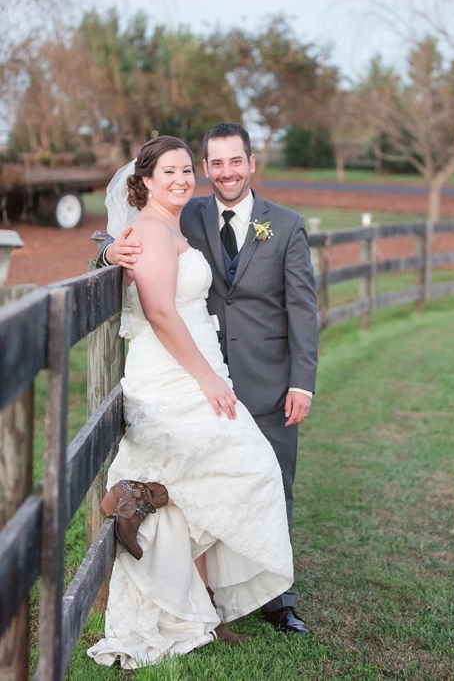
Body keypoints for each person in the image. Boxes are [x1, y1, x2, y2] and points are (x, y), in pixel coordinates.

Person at [101, 123, 319, 634]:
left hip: (265, 379)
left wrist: (302, 381)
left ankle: (277, 603)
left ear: (250, 162)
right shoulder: (185, 213)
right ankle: (201, 594)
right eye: (213, 164)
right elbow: (134, 257)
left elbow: (303, 310)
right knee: (225, 477)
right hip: (193, 372)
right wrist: (107, 253)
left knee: (271, 481)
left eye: (235, 161)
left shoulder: (283, 226)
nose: (224, 172)